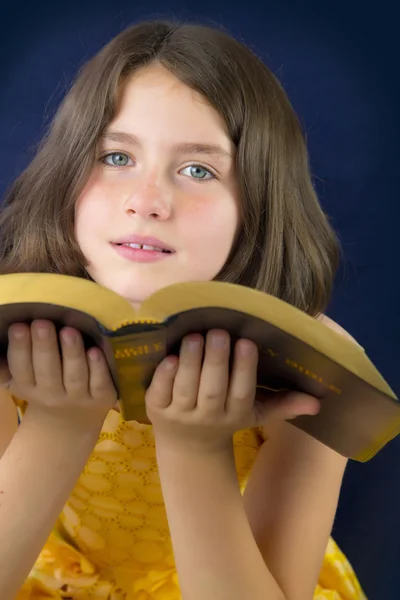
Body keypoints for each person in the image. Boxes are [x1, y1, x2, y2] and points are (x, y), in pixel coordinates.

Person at [0, 19, 366, 600]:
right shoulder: (12, 319)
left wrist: (196, 450)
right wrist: (57, 423)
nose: (146, 202)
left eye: (198, 169)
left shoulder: (316, 363)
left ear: (258, 202)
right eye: (116, 157)